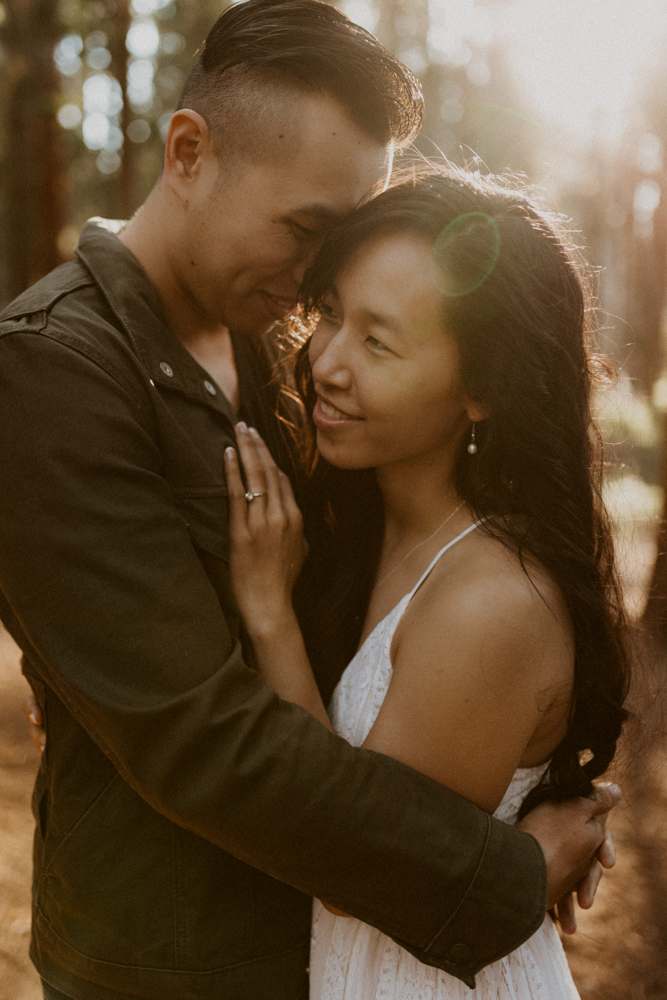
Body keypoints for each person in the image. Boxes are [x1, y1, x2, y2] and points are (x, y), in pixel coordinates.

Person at [0, 3, 616, 999]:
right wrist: (499, 869)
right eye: (307, 231)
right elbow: (204, 739)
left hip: (334, 948)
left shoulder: (270, 344)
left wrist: (514, 779)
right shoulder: (50, 372)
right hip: (171, 963)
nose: (315, 283)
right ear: (189, 152)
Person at [222, 165, 630, 999]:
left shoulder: (490, 598)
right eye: (330, 313)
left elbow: (347, 859)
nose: (327, 364)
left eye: (378, 342)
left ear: (482, 388)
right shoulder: (357, 524)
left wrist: (269, 616)